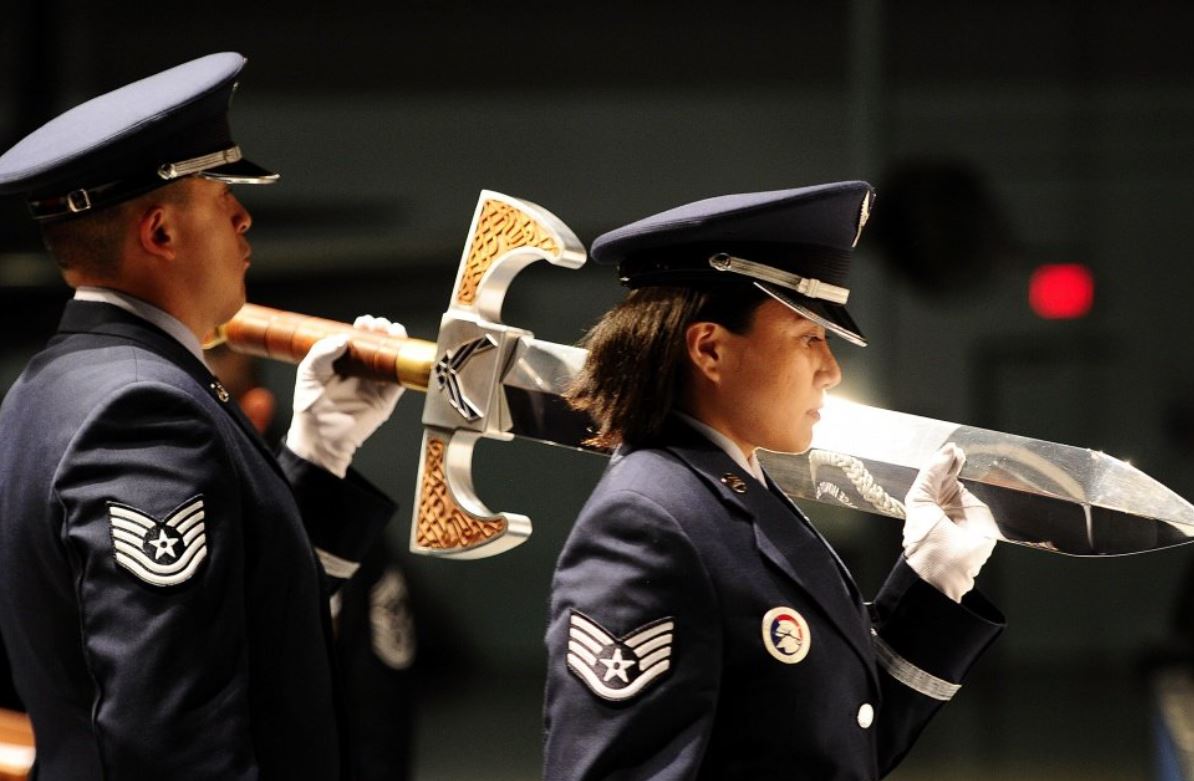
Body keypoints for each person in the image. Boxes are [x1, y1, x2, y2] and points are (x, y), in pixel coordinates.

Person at [0, 52, 404, 780]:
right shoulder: (142, 408)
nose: (244, 215)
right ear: (160, 233)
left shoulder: (54, 383)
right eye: (222, 194)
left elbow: (237, 621)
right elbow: (171, 728)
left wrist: (317, 455)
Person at [543, 182, 1007, 779]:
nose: (831, 370)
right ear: (709, 349)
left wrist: (931, 580)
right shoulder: (647, 522)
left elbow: (840, 739)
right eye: (808, 337)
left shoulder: (732, 495)